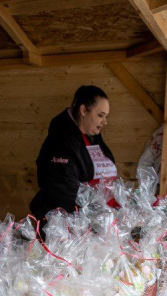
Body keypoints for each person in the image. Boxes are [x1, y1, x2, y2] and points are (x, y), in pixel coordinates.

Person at [29, 85, 115, 220]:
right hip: (67, 223)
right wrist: (96, 214)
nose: (105, 122)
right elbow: (62, 188)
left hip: (94, 217)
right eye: (100, 115)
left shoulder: (91, 134)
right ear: (83, 110)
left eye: (106, 116)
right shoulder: (61, 140)